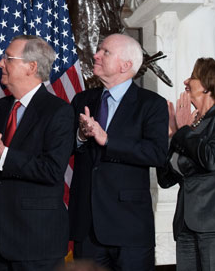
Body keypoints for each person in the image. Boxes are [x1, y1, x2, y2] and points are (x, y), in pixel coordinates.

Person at [0, 34, 74, 270]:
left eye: (8, 58)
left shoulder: (59, 111)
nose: (0, 63)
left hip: (36, 241)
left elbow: (53, 170)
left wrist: (2, 154)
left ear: (32, 67)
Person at [68, 33, 168, 271]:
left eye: (105, 52)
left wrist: (108, 140)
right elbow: (63, 150)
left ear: (126, 65)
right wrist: (82, 136)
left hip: (129, 227)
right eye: (99, 50)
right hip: (87, 225)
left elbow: (156, 153)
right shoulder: (82, 99)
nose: (96, 55)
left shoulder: (151, 104)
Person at [157, 58, 215, 271]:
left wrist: (183, 131)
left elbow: (212, 158)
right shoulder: (190, 124)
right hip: (186, 225)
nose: (186, 81)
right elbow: (166, 179)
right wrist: (170, 137)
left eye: (194, 77)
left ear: (208, 85)